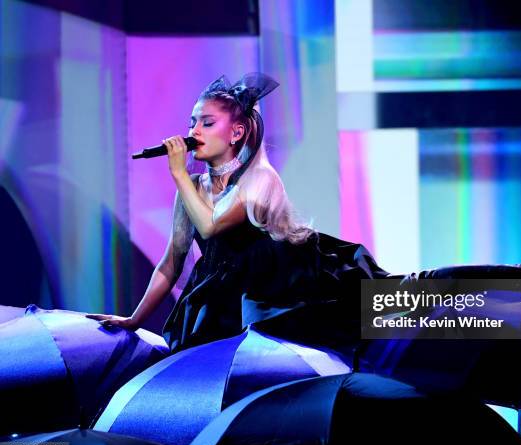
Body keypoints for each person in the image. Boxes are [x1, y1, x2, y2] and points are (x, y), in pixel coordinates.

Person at [88, 73, 388, 354]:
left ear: (236, 133)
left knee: (392, 312)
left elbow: (209, 227)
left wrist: (178, 173)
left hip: (273, 291)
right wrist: (134, 320)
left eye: (206, 123)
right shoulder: (192, 188)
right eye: (192, 122)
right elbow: (171, 263)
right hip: (217, 296)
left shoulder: (259, 178)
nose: (193, 132)